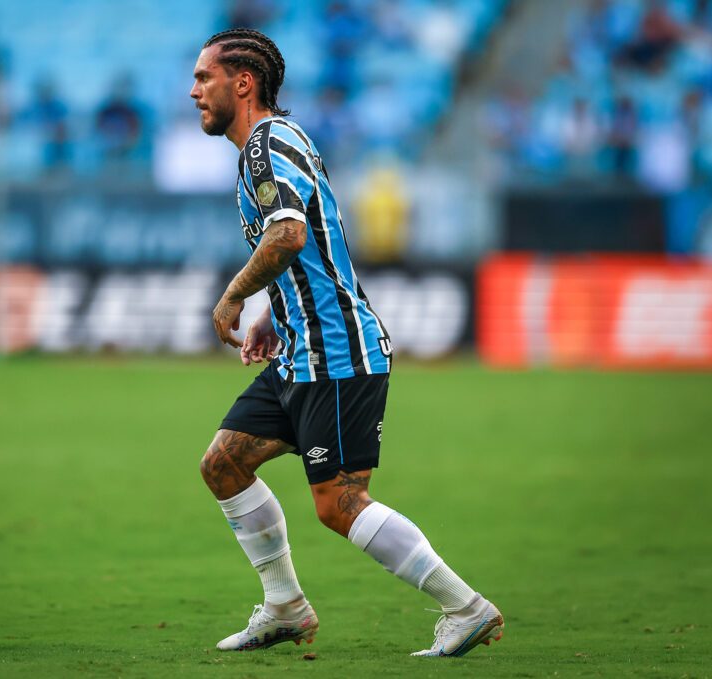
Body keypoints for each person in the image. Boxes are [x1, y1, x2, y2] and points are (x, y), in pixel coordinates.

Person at [189, 28, 504, 657]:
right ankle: (285, 607)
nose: (194, 90)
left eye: (204, 78)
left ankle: (465, 607)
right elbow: (310, 244)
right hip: (299, 353)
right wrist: (275, 314)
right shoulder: (272, 143)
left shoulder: (266, 145)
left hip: (336, 355)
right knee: (223, 464)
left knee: (339, 504)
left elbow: (289, 235)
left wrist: (232, 297)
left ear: (242, 83)